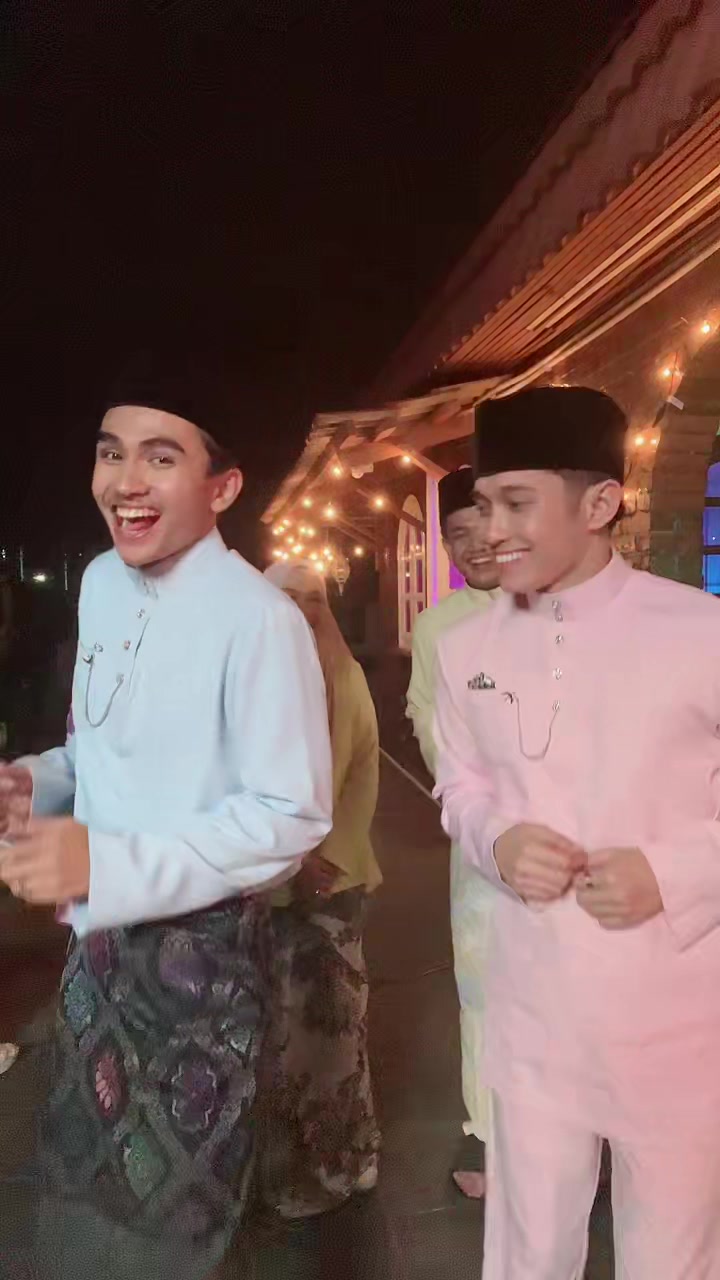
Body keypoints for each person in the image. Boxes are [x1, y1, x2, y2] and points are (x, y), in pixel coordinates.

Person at [0, 357, 333, 1280]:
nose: (125, 482)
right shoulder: (102, 582)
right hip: (96, 960)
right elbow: (97, 746)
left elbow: (291, 813)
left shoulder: (259, 620)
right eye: (111, 453)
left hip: (199, 973)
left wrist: (106, 866)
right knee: (77, 1187)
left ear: (221, 487)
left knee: (174, 1218)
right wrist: (33, 783)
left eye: (160, 457)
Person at [433, 384, 720, 1279]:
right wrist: (496, 842)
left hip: (675, 1009)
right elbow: (460, 785)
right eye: (484, 504)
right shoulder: (463, 649)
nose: (492, 530)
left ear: (599, 505)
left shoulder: (701, 632)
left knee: (671, 1255)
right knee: (527, 1250)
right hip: (533, 1005)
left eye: (517, 503)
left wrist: (675, 872)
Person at [259, 559, 381, 1219]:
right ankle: (335, 1157)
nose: (302, 610)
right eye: (287, 597)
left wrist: (322, 859)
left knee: (331, 1030)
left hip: (330, 884)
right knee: (285, 1033)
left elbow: (358, 774)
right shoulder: (254, 679)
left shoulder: (342, 674)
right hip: (271, 886)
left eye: (313, 599)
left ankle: (340, 1166)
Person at [406, 467, 500, 1199]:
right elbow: (425, 717)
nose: (473, 546)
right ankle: (490, 1133)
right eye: (456, 535)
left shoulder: (562, 611)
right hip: (482, 843)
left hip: (578, 843)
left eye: (483, 527)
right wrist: (474, 802)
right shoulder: (438, 627)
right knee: (484, 987)